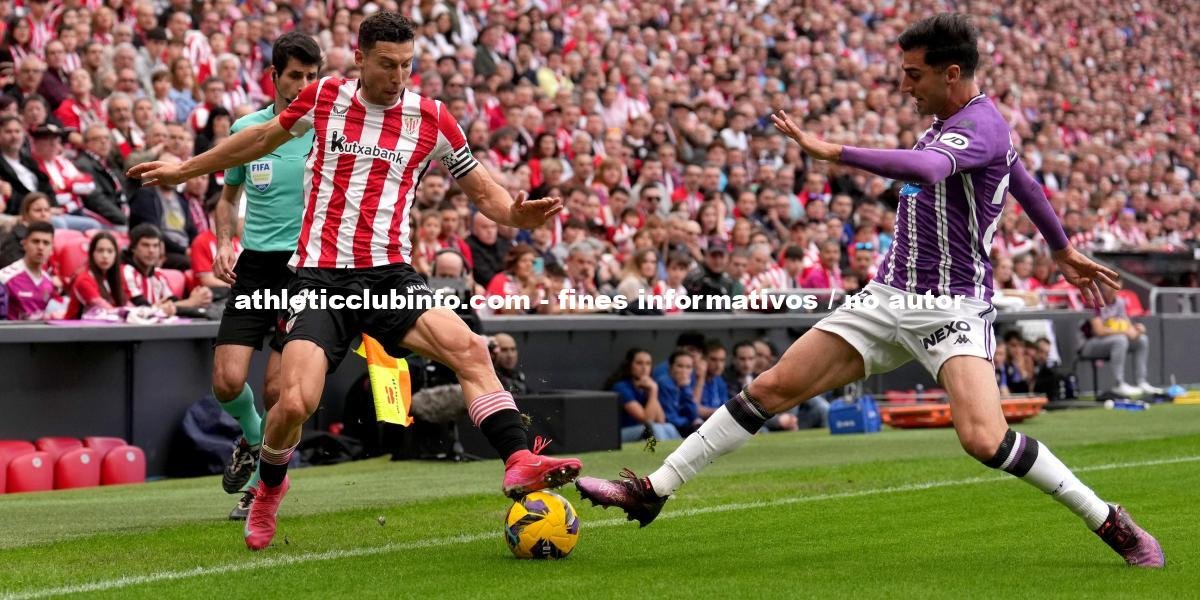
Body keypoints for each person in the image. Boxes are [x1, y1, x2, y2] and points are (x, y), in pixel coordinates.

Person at [577, 14, 1162, 569]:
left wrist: (833, 151)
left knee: (984, 440)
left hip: (951, 305)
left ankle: (1109, 520)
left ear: (950, 73)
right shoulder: (958, 124)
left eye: (913, 74)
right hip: (887, 296)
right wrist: (1059, 248)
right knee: (771, 387)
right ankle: (653, 490)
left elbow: (929, 171)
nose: (904, 85)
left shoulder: (979, 125)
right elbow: (1023, 181)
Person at [128, 12, 582, 551]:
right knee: (293, 403)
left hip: (390, 276)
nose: (398, 76)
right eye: (387, 64)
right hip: (321, 280)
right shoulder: (324, 97)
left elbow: (486, 193)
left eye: (407, 65)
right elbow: (260, 140)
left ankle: (518, 459)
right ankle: (269, 487)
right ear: (360, 58)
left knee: (471, 349)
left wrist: (515, 214)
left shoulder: (432, 118)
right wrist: (185, 170)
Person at [192, 32, 321, 520]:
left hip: (305, 272)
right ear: (274, 76)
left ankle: (260, 488)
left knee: (278, 392)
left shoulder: (327, 131)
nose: (303, 85)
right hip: (256, 269)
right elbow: (227, 199)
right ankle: (250, 438)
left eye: (312, 77)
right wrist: (225, 242)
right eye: (295, 76)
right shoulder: (248, 129)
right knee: (227, 382)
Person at [1080, 285, 1162, 398]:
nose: (1110, 287)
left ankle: (1142, 382)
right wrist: (1124, 332)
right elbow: (1099, 331)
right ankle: (1118, 384)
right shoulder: (1093, 302)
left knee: (1142, 340)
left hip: (1112, 341)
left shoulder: (1120, 302)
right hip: (1089, 345)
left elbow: (1127, 326)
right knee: (1121, 339)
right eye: (1107, 283)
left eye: (1114, 283)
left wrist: (1137, 330)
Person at [122, 223, 212, 316]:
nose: (151, 250)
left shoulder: (157, 274)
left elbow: (171, 301)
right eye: (145, 245)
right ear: (133, 248)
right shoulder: (126, 271)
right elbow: (143, 308)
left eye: (155, 246)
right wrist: (190, 302)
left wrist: (196, 298)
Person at [606, 348, 681, 443]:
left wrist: (651, 392)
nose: (644, 368)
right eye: (639, 363)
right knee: (652, 428)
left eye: (648, 363)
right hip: (620, 434)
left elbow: (661, 420)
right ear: (629, 365)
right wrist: (653, 391)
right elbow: (647, 420)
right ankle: (663, 452)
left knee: (669, 427)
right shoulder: (621, 387)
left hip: (643, 429)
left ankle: (682, 451)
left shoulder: (647, 386)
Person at [0, 221, 58, 320]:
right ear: (24, 243)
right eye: (35, 241)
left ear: (52, 248)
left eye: (46, 243)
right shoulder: (4, 278)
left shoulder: (49, 282)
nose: (40, 247)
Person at [66, 231, 126, 319]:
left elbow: (125, 303)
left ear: (116, 255)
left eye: (110, 251)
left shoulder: (115, 278)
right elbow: (107, 310)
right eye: (100, 250)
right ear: (92, 253)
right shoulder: (83, 279)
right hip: (73, 327)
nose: (105, 256)